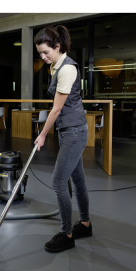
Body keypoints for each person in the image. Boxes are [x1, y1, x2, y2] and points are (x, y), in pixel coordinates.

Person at [33, 25, 92, 253]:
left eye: (46, 52)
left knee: (58, 182)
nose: (43, 57)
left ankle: (67, 235)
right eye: (40, 53)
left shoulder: (67, 69)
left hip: (74, 132)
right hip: (70, 130)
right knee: (78, 180)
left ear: (57, 46)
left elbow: (57, 109)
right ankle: (85, 225)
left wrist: (42, 135)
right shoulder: (56, 66)